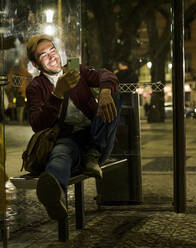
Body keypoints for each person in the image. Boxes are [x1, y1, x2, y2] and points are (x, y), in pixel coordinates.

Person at [25, 34, 121, 221]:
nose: (52, 56)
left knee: (114, 94)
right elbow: (37, 124)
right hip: (69, 141)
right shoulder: (36, 87)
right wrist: (57, 94)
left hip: (97, 138)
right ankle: (54, 195)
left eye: (52, 50)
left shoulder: (76, 71)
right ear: (36, 65)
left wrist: (106, 92)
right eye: (43, 55)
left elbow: (106, 74)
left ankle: (93, 154)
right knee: (60, 153)